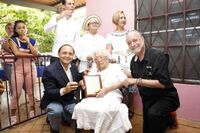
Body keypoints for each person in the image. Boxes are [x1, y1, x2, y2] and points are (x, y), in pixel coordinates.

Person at [123, 30, 180, 133]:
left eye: (135, 40)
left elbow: (162, 84)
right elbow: (135, 74)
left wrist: (135, 80)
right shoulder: (133, 61)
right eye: (129, 43)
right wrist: (119, 71)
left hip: (166, 97)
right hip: (148, 100)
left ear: (142, 40)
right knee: (147, 129)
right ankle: (168, 120)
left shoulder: (157, 56)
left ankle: (168, 118)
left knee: (153, 115)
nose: (133, 44)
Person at [72, 50, 132, 133]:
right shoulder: (93, 69)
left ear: (107, 58)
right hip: (94, 96)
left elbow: (125, 82)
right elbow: (87, 83)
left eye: (101, 57)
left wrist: (107, 89)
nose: (99, 60)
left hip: (112, 94)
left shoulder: (115, 68)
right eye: (96, 58)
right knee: (79, 107)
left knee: (104, 111)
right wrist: (82, 82)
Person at [40, 44, 83, 133]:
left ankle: (64, 117)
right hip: (53, 100)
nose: (67, 56)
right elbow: (49, 92)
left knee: (80, 110)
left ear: (73, 56)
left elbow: (77, 77)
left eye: (70, 53)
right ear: (58, 54)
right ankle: (54, 129)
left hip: (69, 100)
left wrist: (82, 79)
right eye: (64, 53)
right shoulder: (49, 70)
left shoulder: (74, 67)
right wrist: (65, 90)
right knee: (56, 111)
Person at [9, 20, 38, 125]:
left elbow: (36, 52)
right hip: (18, 70)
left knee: (31, 93)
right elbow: (17, 53)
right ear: (16, 30)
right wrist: (32, 55)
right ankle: (13, 116)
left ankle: (32, 112)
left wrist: (28, 42)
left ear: (26, 28)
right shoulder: (13, 40)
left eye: (23, 27)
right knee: (16, 93)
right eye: (19, 28)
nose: (22, 29)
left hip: (30, 69)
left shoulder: (33, 41)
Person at [1, 23, 14, 95]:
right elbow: (8, 49)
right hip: (8, 62)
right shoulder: (3, 39)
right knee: (11, 79)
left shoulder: (16, 39)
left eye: (12, 28)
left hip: (17, 62)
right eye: (8, 28)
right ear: (6, 30)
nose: (10, 29)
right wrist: (10, 37)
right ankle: (13, 95)